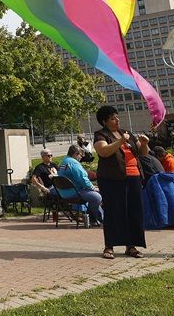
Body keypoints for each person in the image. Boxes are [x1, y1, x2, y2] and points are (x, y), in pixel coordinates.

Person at [93, 105, 149, 259]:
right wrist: (120, 142)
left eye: (117, 117)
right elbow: (103, 152)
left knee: (134, 212)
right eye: (112, 118)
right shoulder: (101, 135)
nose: (117, 120)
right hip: (112, 179)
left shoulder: (126, 133)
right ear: (105, 121)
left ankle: (131, 246)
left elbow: (142, 153)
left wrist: (144, 143)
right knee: (114, 212)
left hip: (134, 177)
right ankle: (109, 246)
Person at [55, 144, 103, 225]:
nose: (81, 157)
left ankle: (100, 217)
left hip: (63, 193)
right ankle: (93, 218)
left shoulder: (63, 161)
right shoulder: (73, 163)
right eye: (81, 155)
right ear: (76, 153)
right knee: (97, 196)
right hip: (74, 192)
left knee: (95, 194)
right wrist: (93, 187)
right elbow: (82, 179)